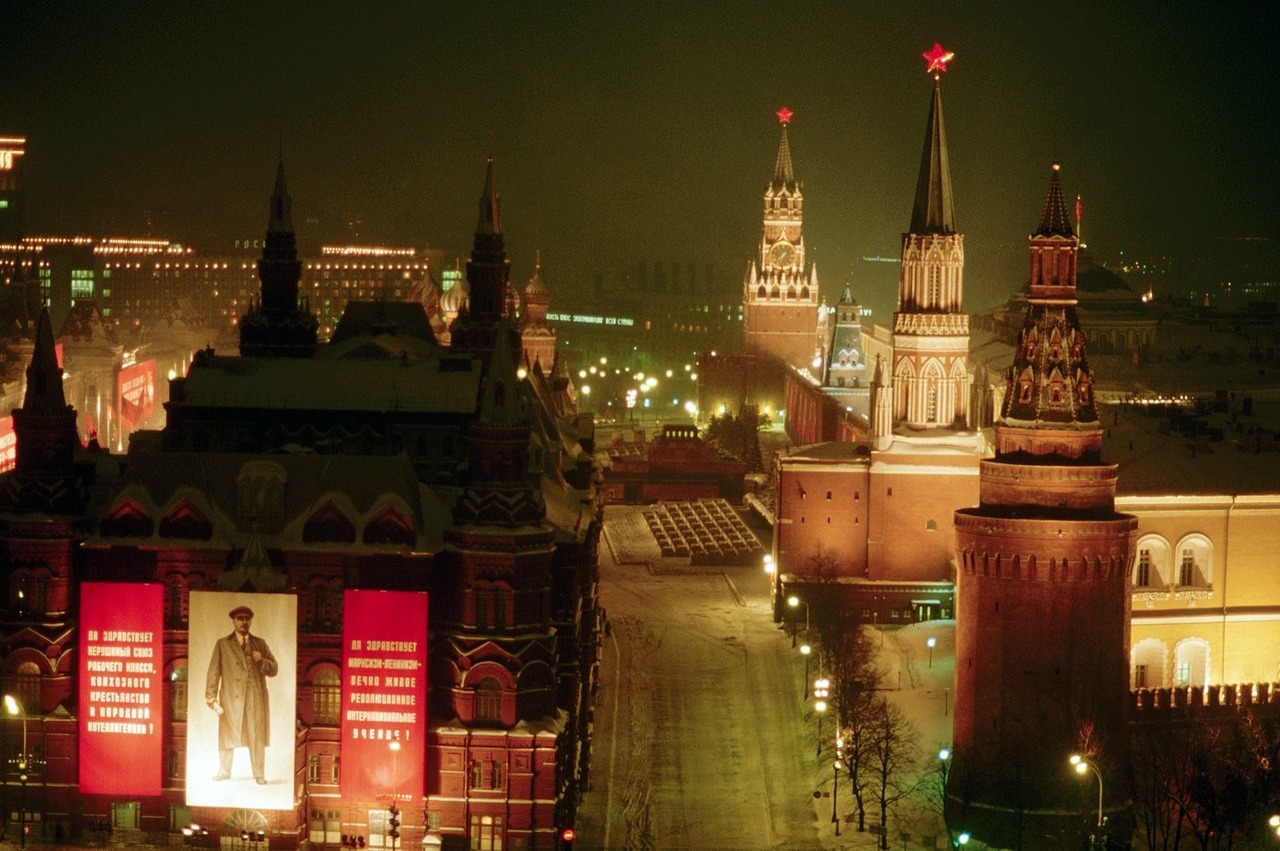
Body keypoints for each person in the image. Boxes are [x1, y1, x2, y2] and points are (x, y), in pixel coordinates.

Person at [206, 604, 278, 784]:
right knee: (227, 734)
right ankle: (224, 771)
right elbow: (214, 671)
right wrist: (211, 697)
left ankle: (259, 773)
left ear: (250, 620)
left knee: (256, 734)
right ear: (234, 621)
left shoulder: (260, 643)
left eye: (247, 618)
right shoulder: (223, 644)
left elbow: (274, 669)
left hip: (255, 696)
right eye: (240, 618)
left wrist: (262, 661)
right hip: (231, 697)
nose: (244, 622)